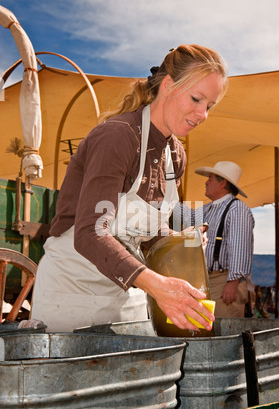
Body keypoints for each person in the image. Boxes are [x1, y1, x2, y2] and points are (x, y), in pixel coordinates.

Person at [30, 45, 227, 332]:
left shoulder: (176, 156)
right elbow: (89, 233)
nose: (202, 114)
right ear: (169, 85)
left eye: (209, 106)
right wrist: (157, 285)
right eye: (196, 99)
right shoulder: (117, 137)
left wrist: (176, 239)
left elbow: (142, 232)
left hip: (129, 297)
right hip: (74, 292)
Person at [173, 161, 255, 318]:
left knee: (223, 328)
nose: (206, 182)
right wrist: (165, 199)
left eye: (210, 179)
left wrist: (233, 282)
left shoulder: (237, 209)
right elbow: (188, 216)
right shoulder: (209, 208)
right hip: (208, 279)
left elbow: (239, 247)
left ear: (222, 183)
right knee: (207, 327)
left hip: (224, 280)